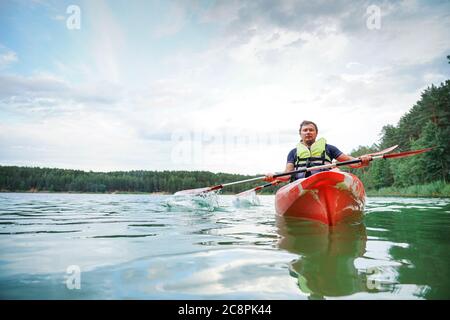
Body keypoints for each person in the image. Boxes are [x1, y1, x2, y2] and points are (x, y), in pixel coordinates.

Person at [264, 120, 372, 182]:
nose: (308, 132)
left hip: (326, 182)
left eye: (311, 130)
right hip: (301, 184)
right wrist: (273, 176)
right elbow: (287, 175)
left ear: (316, 133)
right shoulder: (293, 152)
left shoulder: (329, 148)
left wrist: (362, 160)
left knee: (336, 170)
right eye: (305, 130)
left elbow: (351, 161)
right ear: (300, 133)